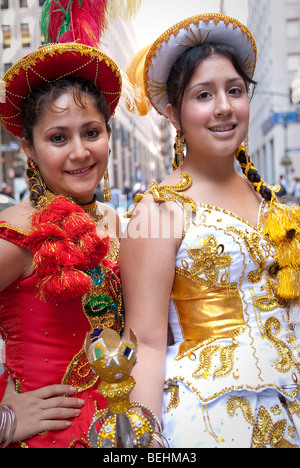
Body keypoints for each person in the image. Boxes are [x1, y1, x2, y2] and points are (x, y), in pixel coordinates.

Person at [120, 13, 300, 448]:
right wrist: (145, 442)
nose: (223, 106)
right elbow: (143, 342)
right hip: (209, 421)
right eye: (204, 94)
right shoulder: (159, 209)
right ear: (173, 113)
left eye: (234, 91)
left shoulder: (270, 203)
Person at [0, 0, 142, 448]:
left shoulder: (114, 221)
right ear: (29, 149)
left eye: (91, 132)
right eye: (58, 137)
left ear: (109, 136)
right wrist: (3, 421)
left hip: (117, 433)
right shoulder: (16, 233)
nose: (80, 151)